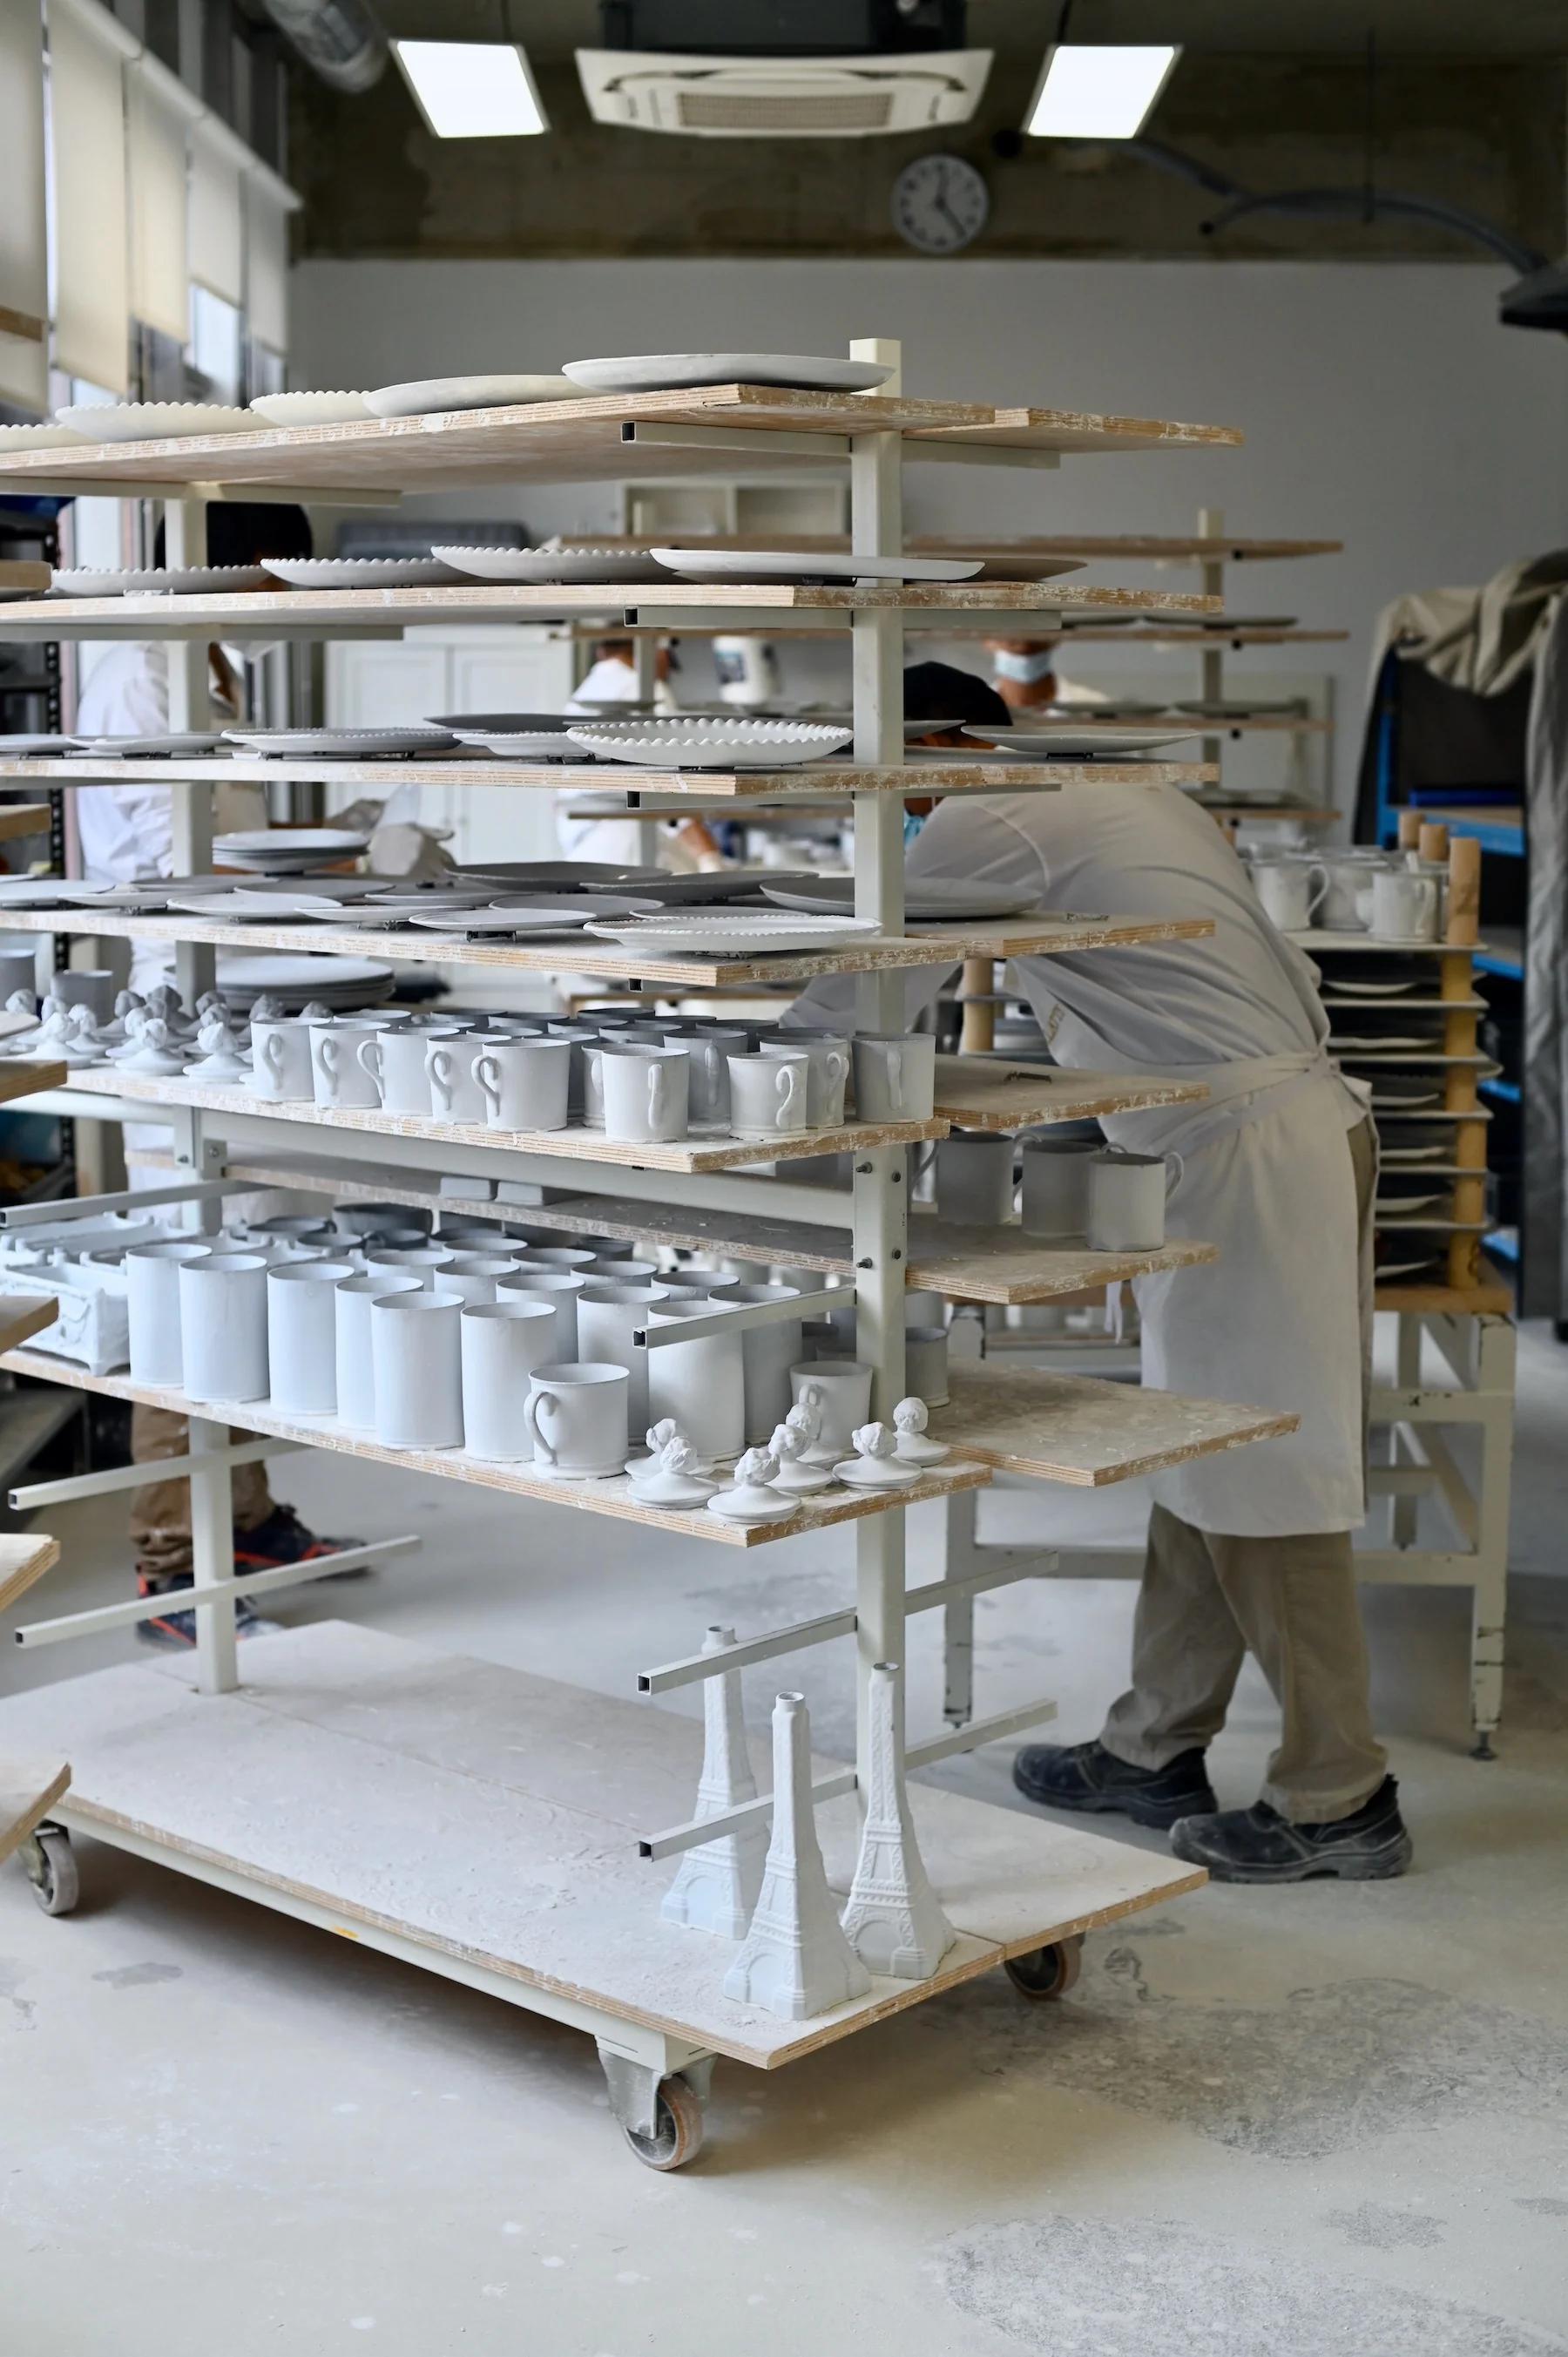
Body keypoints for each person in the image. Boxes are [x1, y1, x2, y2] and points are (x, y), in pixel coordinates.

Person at [786, 660, 1409, 1885]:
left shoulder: (981, 815)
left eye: (890, 785)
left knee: (1270, 1478)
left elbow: (866, 996)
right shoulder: (1084, 788)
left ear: (939, 745)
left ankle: (1341, 1795)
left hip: (1251, 1153)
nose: (893, 815)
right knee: (1206, 1454)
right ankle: (1154, 1745)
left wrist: (728, 1096)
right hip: (1252, 1137)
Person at [74, 503, 362, 1649]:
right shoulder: (145, 671)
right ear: (241, 559)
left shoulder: (207, 660)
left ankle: (245, 1524)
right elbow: (168, 852)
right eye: (280, 571)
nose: (289, 594)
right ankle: (169, 1565)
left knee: (243, 1270)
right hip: (179, 1008)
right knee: (186, 1286)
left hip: (236, 995)